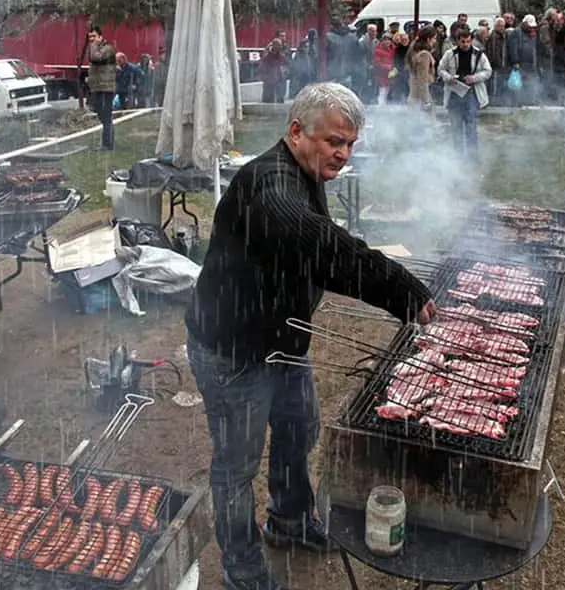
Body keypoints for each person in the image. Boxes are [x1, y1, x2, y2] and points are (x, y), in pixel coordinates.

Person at [185, 82, 435, 590]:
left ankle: (290, 519)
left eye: (349, 145)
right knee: (236, 465)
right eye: (332, 142)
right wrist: (399, 288)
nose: (342, 154)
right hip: (234, 349)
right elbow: (322, 247)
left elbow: (314, 252)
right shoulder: (270, 186)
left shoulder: (304, 172)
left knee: (300, 427)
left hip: (282, 338)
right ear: (296, 132)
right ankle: (242, 566)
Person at [438, 29, 492, 157]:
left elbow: (488, 71)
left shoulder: (479, 54)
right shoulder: (449, 54)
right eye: (463, 42)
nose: (466, 44)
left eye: (468, 41)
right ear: (457, 41)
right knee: (456, 127)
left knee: (471, 126)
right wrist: (448, 78)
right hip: (454, 94)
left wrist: (474, 78)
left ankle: (473, 156)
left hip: (471, 94)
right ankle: (458, 155)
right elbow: (441, 69)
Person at [85, 26, 117, 150]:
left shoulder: (107, 49)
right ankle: (106, 143)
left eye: (94, 36)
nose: (91, 39)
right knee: (101, 115)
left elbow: (95, 58)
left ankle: (107, 145)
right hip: (98, 88)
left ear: (100, 36)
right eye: (90, 37)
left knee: (106, 116)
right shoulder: (96, 49)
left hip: (106, 88)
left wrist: (93, 45)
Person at [408, 26, 437, 111]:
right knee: (426, 122)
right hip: (420, 98)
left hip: (415, 95)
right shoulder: (424, 55)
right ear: (428, 39)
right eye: (434, 38)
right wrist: (426, 101)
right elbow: (422, 79)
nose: (435, 41)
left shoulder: (415, 51)